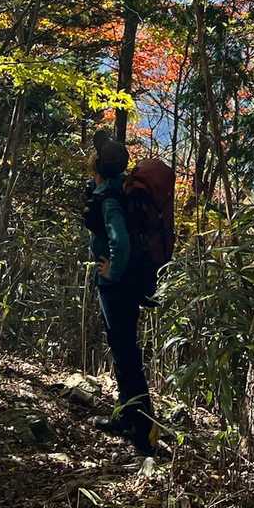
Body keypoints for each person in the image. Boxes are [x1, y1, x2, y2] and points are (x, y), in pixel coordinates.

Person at [83, 129, 156, 455]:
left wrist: (112, 270)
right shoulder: (119, 190)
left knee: (125, 353)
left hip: (117, 287)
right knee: (125, 351)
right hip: (127, 285)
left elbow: (120, 241)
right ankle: (131, 418)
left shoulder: (110, 198)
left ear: (99, 166)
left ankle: (140, 430)